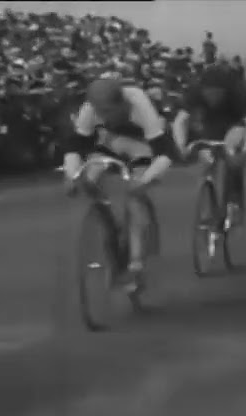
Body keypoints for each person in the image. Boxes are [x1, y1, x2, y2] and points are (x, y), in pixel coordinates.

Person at [62, 77, 178, 293]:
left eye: (108, 112)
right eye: (100, 112)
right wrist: (72, 175)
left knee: (135, 195)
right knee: (88, 177)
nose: (103, 116)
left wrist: (145, 180)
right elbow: (75, 145)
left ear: (121, 104)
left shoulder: (139, 104)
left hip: (144, 142)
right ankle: (107, 222)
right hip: (112, 140)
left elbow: (165, 152)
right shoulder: (90, 108)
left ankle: (135, 261)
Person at [172, 64, 246, 222]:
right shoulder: (195, 93)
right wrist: (181, 146)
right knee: (206, 157)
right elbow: (180, 121)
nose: (212, 97)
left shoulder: (238, 94)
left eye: (217, 94)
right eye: (208, 93)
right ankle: (206, 201)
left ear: (225, 90)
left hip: (234, 121)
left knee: (230, 149)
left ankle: (235, 196)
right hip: (211, 123)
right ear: (202, 90)